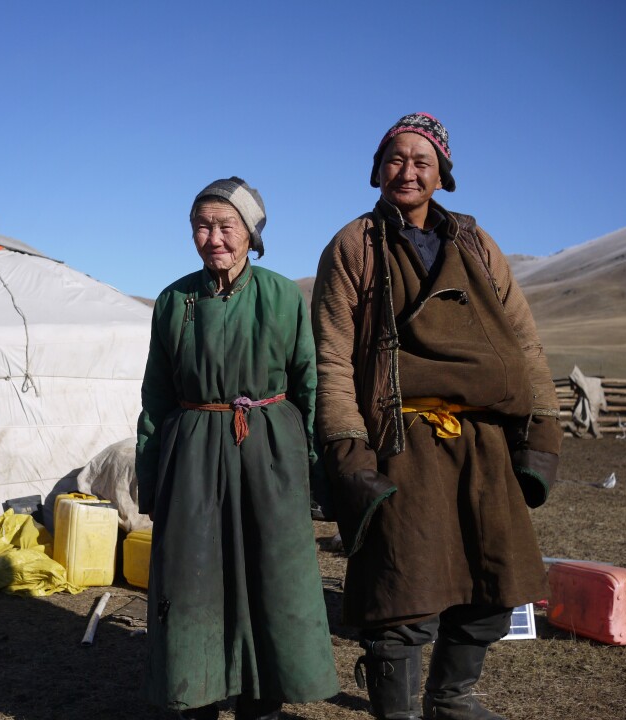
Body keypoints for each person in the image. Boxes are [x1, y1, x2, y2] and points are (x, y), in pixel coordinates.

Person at [311, 113, 562, 720]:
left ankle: (452, 698)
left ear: (442, 176)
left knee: (492, 581)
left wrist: (541, 428)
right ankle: (397, 712)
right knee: (404, 588)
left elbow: (523, 339)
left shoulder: (475, 243)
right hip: (401, 435)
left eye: (422, 162)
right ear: (377, 169)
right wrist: (349, 449)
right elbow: (334, 354)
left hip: (483, 438)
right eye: (396, 159)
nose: (408, 172)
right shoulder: (354, 245)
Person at [136, 177, 339, 720]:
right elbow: (156, 395)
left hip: (268, 455)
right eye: (202, 225)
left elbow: (308, 384)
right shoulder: (173, 300)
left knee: (271, 579)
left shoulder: (280, 295)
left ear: (251, 233)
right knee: (193, 577)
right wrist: (151, 474)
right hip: (193, 457)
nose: (214, 237)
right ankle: (196, 694)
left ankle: (262, 702)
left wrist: (314, 470)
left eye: (227, 225)